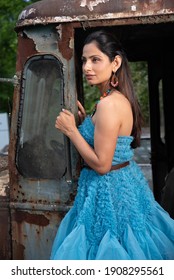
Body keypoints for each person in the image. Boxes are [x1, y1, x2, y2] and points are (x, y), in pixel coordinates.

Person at [50, 30, 174, 260]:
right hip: (121, 186)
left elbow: (102, 164)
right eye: (84, 60)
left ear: (115, 62)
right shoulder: (114, 100)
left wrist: (71, 131)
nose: (87, 67)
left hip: (109, 192)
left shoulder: (109, 105)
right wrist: (86, 122)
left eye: (95, 59)